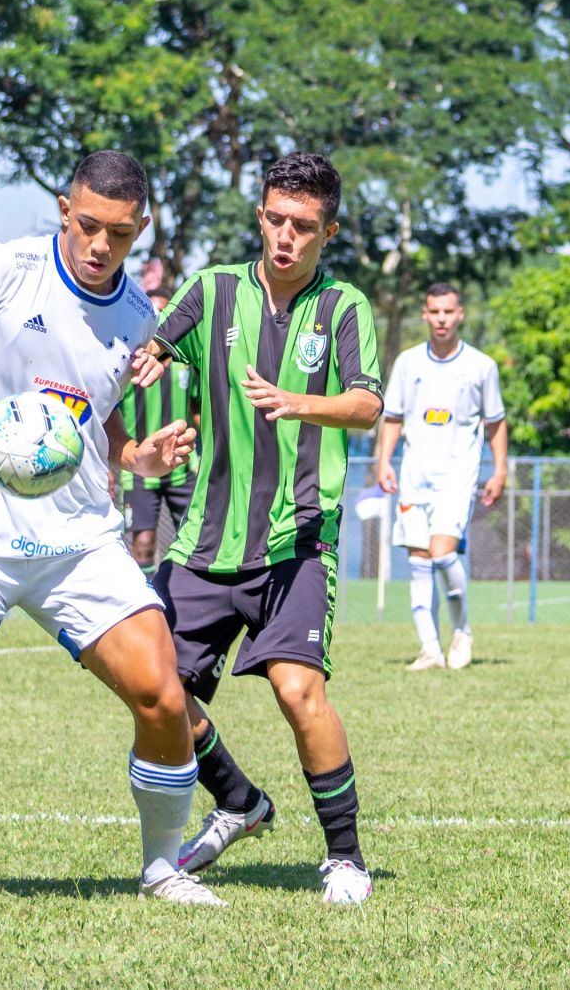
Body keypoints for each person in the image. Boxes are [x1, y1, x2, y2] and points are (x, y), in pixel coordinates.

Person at [0, 150, 219, 912]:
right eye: (88, 225)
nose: (100, 245)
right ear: (64, 208)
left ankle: (162, 867)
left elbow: (103, 418)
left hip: (81, 539)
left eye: (119, 234)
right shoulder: (2, 270)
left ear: (141, 229)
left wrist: (138, 454)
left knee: (161, 693)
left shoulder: (139, 320)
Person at [140, 151, 383, 905]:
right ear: (260, 217)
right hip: (204, 541)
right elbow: (145, 349)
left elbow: (367, 404)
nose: (286, 236)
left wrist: (296, 401)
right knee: (156, 692)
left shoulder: (345, 308)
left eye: (303, 226)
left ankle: (344, 858)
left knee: (297, 691)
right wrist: (141, 418)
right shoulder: (210, 291)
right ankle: (240, 801)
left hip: (297, 540)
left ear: (328, 231)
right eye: (275, 219)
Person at [374, 282, 508, 671]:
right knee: (418, 559)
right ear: (425, 315)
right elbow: (393, 418)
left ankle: (462, 631)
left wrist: (499, 470)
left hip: (457, 476)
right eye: (434, 311)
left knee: (442, 552)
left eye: (448, 311)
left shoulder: (481, 366)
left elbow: (496, 423)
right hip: (415, 476)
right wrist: (384, 462)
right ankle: (430, 649)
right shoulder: (408, 363)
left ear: (460, 313)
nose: (442, 319)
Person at [118, 284, 199, 577]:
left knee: (197, 536)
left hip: (182, 467)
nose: (158, 321)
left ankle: (186, 600)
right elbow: (109, 413)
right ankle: (151, 606)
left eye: (164, 314)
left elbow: (199, 409)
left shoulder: (186, 362)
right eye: (153, 314)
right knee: (143, 542)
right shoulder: (129, 365)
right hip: (140, 470)